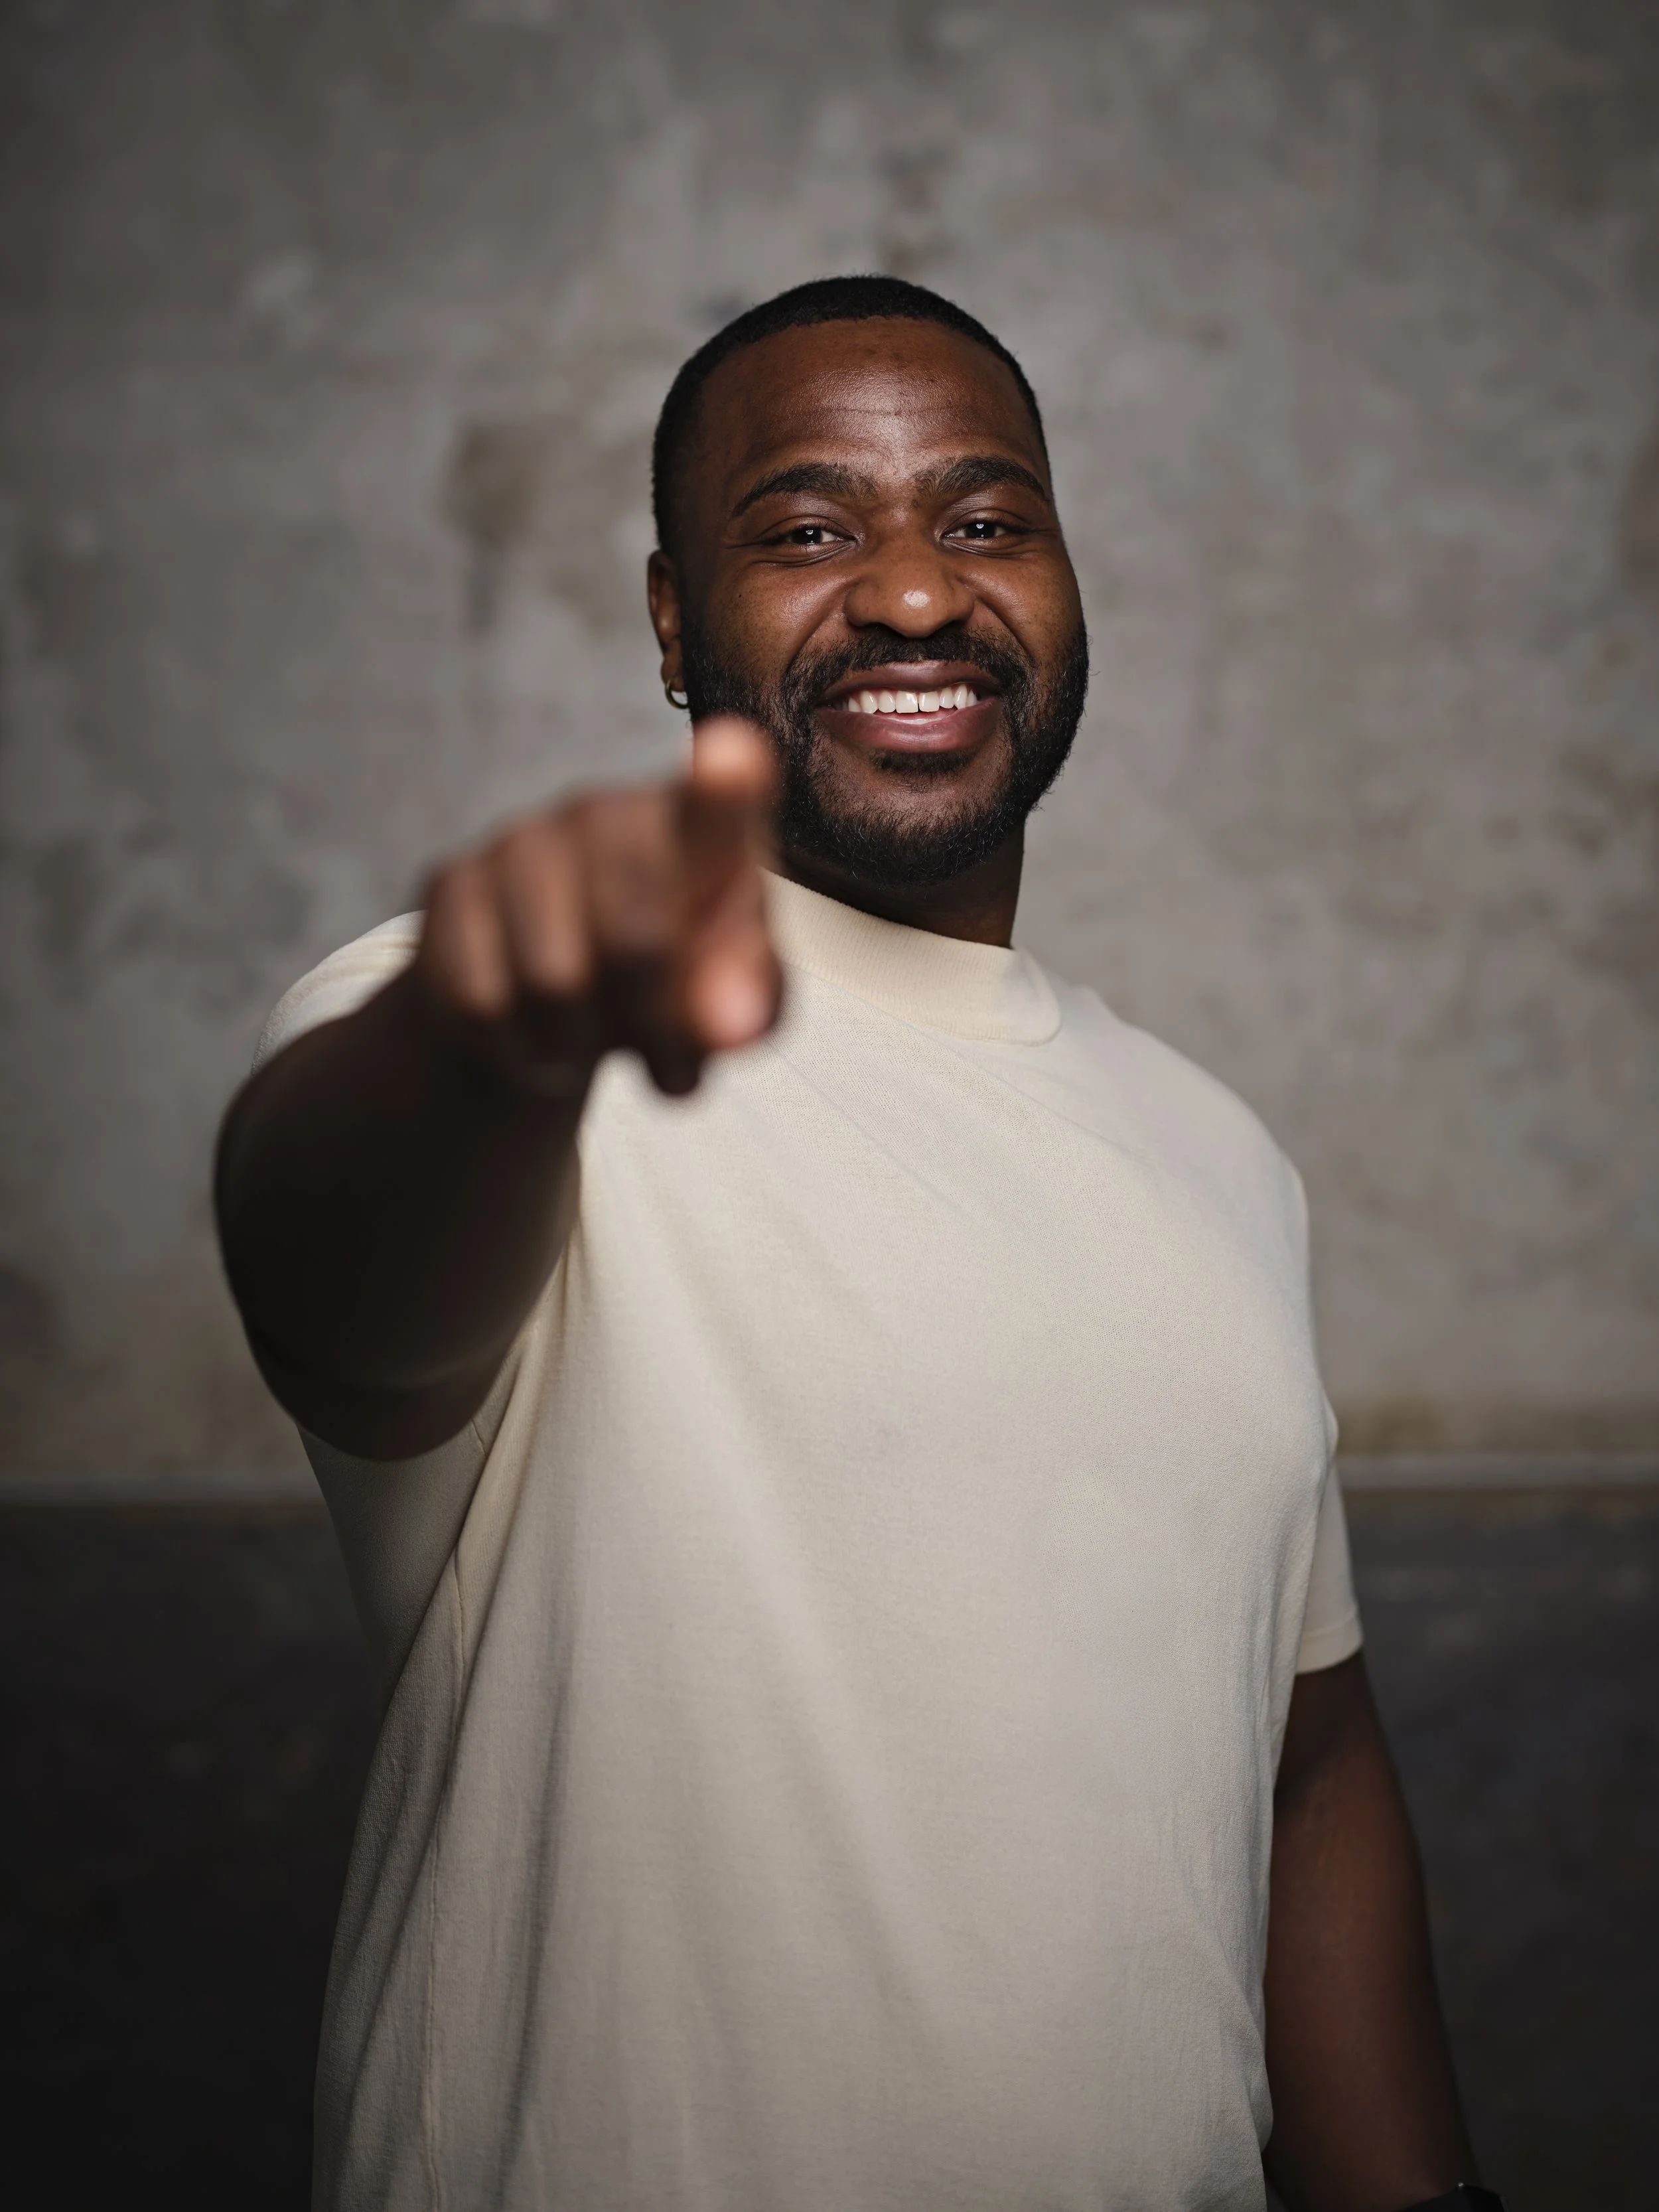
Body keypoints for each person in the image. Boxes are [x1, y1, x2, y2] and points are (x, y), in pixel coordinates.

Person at [217, 276, 1492, 2212]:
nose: (913, 592)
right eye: (807, 531)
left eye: (985, 522)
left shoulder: (1218, 1151)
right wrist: (492, 1049)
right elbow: (344, 1288)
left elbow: (1305, 1762)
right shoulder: (474, 1034)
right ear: (671, 622)